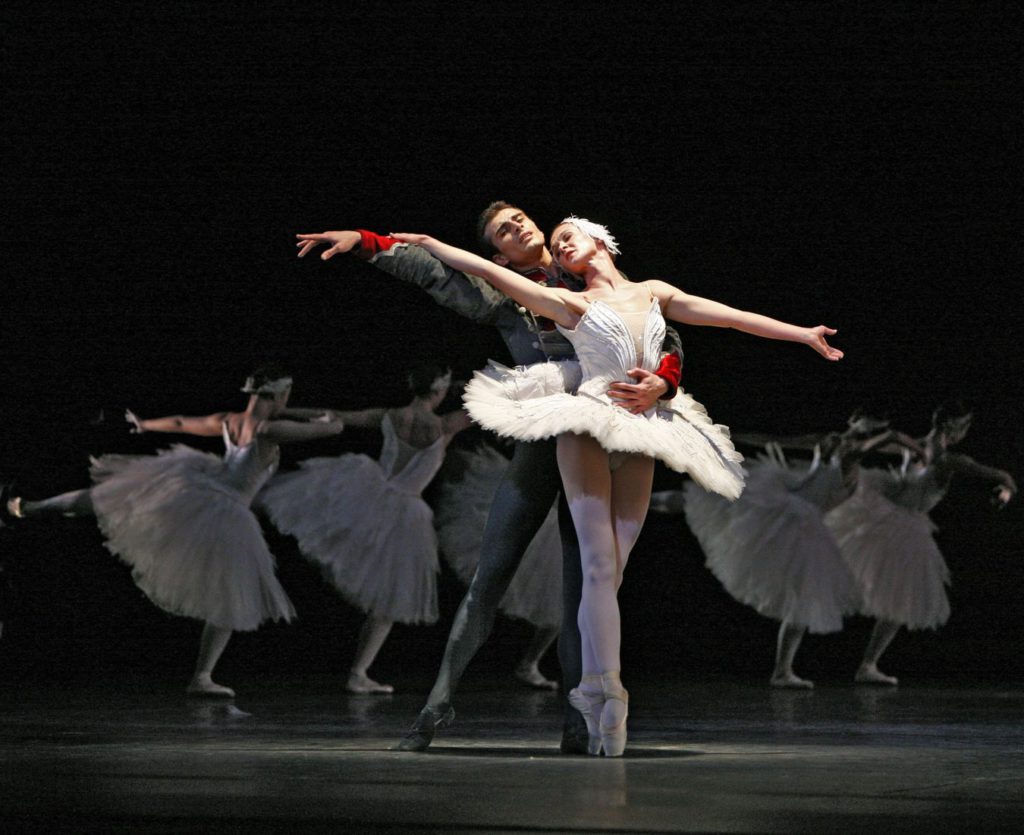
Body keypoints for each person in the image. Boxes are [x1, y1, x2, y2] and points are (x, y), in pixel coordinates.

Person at [390, 217, 843, 755]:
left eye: (565, 234)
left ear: (599, 239)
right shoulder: (567, 302)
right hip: (576, 421)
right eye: (554, 242)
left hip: (636, 430)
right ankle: (446, 703)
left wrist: (800, 334)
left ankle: (591, 700)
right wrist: (413, 244)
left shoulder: (653, 292)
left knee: (599, 576)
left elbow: (729, 319)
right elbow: (484, 273)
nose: (557, 241)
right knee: (521, 572)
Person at [295, 202, 683, 754]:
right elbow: (431, 268)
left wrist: (662, 385)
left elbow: (665, 336)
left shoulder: (594, 272)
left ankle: (582, 723)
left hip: (599, 436)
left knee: (585, 584)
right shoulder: (502, 292)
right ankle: (433, 709)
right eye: (505, 231)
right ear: (498, 254)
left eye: (521, 217)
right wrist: (362, 240)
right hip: (545, 439)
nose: (519, 226)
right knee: (489, 578)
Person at [2, 367, 346, 697]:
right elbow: (334, 426)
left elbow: (183, 422)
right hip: (224, 511)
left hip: (200, 494)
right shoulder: (272, 430)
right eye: (286, 393)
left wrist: (145, 424)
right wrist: (294, 409)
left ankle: (23, 506)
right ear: (279, 393)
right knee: (231, 595)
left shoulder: (230, 420)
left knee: (111, 498)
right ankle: (201, 676)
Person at [654, 414, 916, 688]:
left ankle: (783, 671)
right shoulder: (845, 447)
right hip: (792, 516)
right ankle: (782, 671)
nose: (874, 431)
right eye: (870, 425)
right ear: (855, 421)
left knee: (705, 502)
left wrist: (913, 444)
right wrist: (899, 439)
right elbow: (778, 441)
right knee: (703, 500)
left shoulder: (843, 446)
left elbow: (883, 447)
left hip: (800, 519)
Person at [257, 365, 472, 694]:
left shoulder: (389, 416)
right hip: (404, 515)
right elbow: (492, 405)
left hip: (372, 498)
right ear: (439, 391)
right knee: (387, 600)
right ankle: (358, 672)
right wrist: (463, 386)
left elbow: (334, 414)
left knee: (356, 574)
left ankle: (354, 669)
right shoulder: (444, 425)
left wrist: (286, 409)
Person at [825, 405, 1016, 684]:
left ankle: (865, 665)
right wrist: (1005, 493)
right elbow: (1004, 476)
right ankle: (864, 664)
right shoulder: (951, 460)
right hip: (899, 526)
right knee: (893, 598)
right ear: (954, 428)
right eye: (964, 428)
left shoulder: (913, 447)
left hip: (886, 520)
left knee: (889, 596)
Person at [434, 442, 563, 690]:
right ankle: (454, 662)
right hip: (533, 514)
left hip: (557, 525)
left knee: (563, 604)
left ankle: (529, 663)